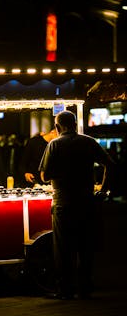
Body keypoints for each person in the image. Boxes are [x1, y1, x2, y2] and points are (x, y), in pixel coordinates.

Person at [39, 110, 115, 300]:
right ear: (74, 124)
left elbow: (45, 175)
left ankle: (65, 289)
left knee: (64, 249)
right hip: (87, 203)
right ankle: (85, 287)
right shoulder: (88, 142)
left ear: (57, 127)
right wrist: (103, 189)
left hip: (63, 204)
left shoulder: (54, 144)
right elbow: (110, 164)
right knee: (85, 247)